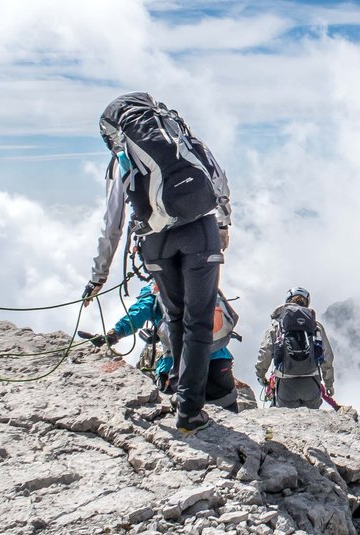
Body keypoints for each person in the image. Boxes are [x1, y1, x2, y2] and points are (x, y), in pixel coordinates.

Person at [83, 92, 231, 434]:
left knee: (175, 316)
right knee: (197, 321)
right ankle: (190, 410)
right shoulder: (179, 136)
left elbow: (113, 223)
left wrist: (99, 276)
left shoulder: (123, 156)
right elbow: (218, 180)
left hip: (156, 241)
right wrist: (223, 225)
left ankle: (180, 395)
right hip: (200, 233)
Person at [79, 282, 241, 412]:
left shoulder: (157, 285)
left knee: (180, 420)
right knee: (228, 410)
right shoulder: (201, 276)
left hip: (176, 366)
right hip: (217, 360)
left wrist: (113, 335)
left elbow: (138, 313)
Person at [255, 287, 337, 408]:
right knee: (311, 421)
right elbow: (327, 357)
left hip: (285, 383)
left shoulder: (276, 325)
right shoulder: (315, 326)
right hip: (312, 382)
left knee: (286, 421)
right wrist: (329, 384)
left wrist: (261, 375)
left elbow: (265, 352)